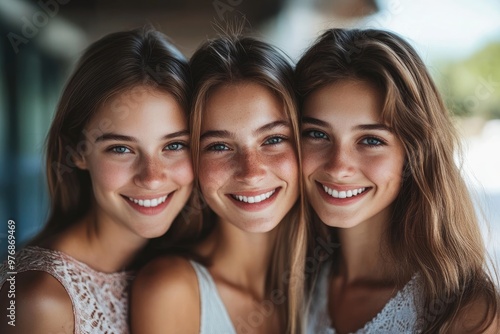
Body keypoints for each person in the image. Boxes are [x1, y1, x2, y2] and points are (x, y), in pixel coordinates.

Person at [295, 28, 500, 333]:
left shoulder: (466, 312)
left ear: (414, 153)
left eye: (371, 140)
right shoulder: (290, 285)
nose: (338, 167)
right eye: (317, 134)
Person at [0, 27, 193, 334]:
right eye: (121, 148)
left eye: (174, 145)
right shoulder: (41, 299)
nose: (152, 177)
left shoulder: (184, 260)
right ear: (77, 151)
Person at [131, 34, 307, 334]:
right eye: (219, 146)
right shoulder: (169, 291)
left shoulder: (333, 279)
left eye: (273, 139)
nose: (250, 172)